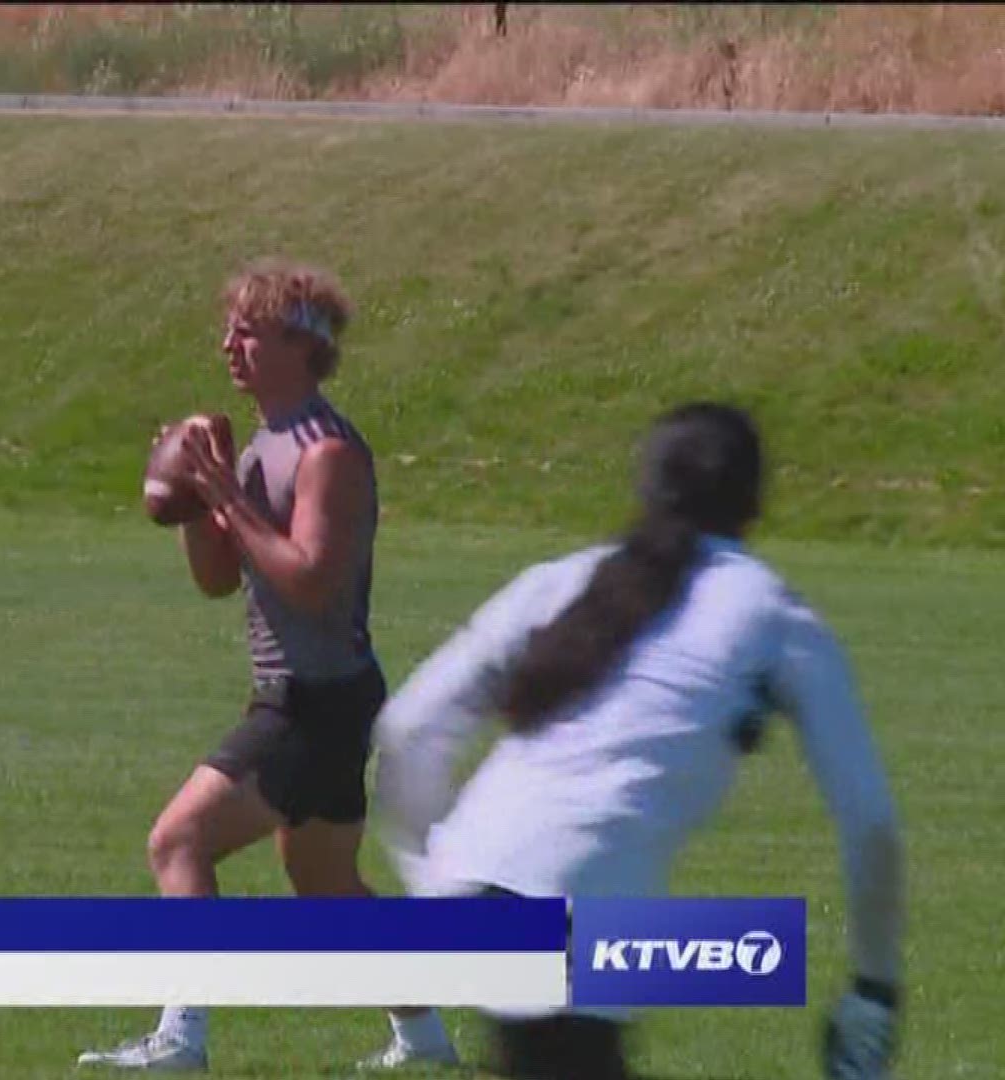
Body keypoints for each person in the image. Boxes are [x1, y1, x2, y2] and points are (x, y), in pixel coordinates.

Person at [371, 403, 904, 1080]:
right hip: (569, 916)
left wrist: (439, 879)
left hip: (470, 886)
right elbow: (872, 822)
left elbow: (408, 727)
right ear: (754, 500)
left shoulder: (562, 580)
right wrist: (875, 987)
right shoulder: (775, 616)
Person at [78, 260, 458, 1072]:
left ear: (300, 344)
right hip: (311, 694)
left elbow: (313, 580)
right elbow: (219, 581)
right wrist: (194, 501)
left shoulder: (326, 453)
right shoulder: (259, 447)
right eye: (230, 330)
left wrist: (227, 493)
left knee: (177, 840)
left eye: (248, 330)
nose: (229, 345)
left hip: (312, 700)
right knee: (324, 887)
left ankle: (182, 1038)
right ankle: (425, 1041)